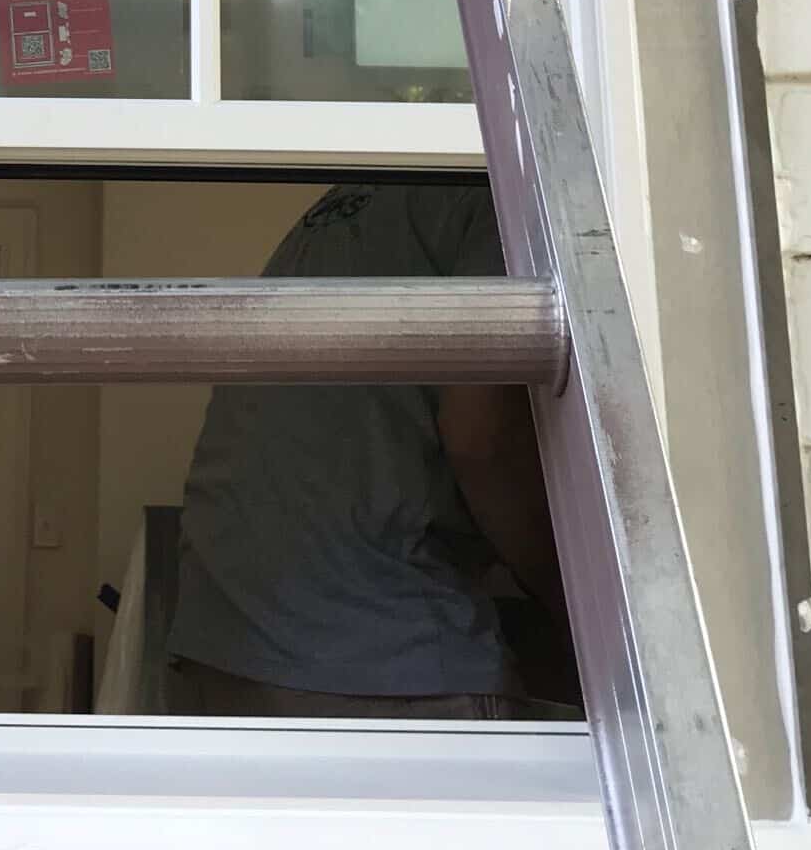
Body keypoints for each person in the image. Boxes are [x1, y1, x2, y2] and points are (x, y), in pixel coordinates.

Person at [165, 180, 579, 720]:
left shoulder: (361, 196)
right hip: (379, 643)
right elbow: (482, 439)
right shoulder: (499, 200)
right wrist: (573, 599)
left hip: (230, 636)